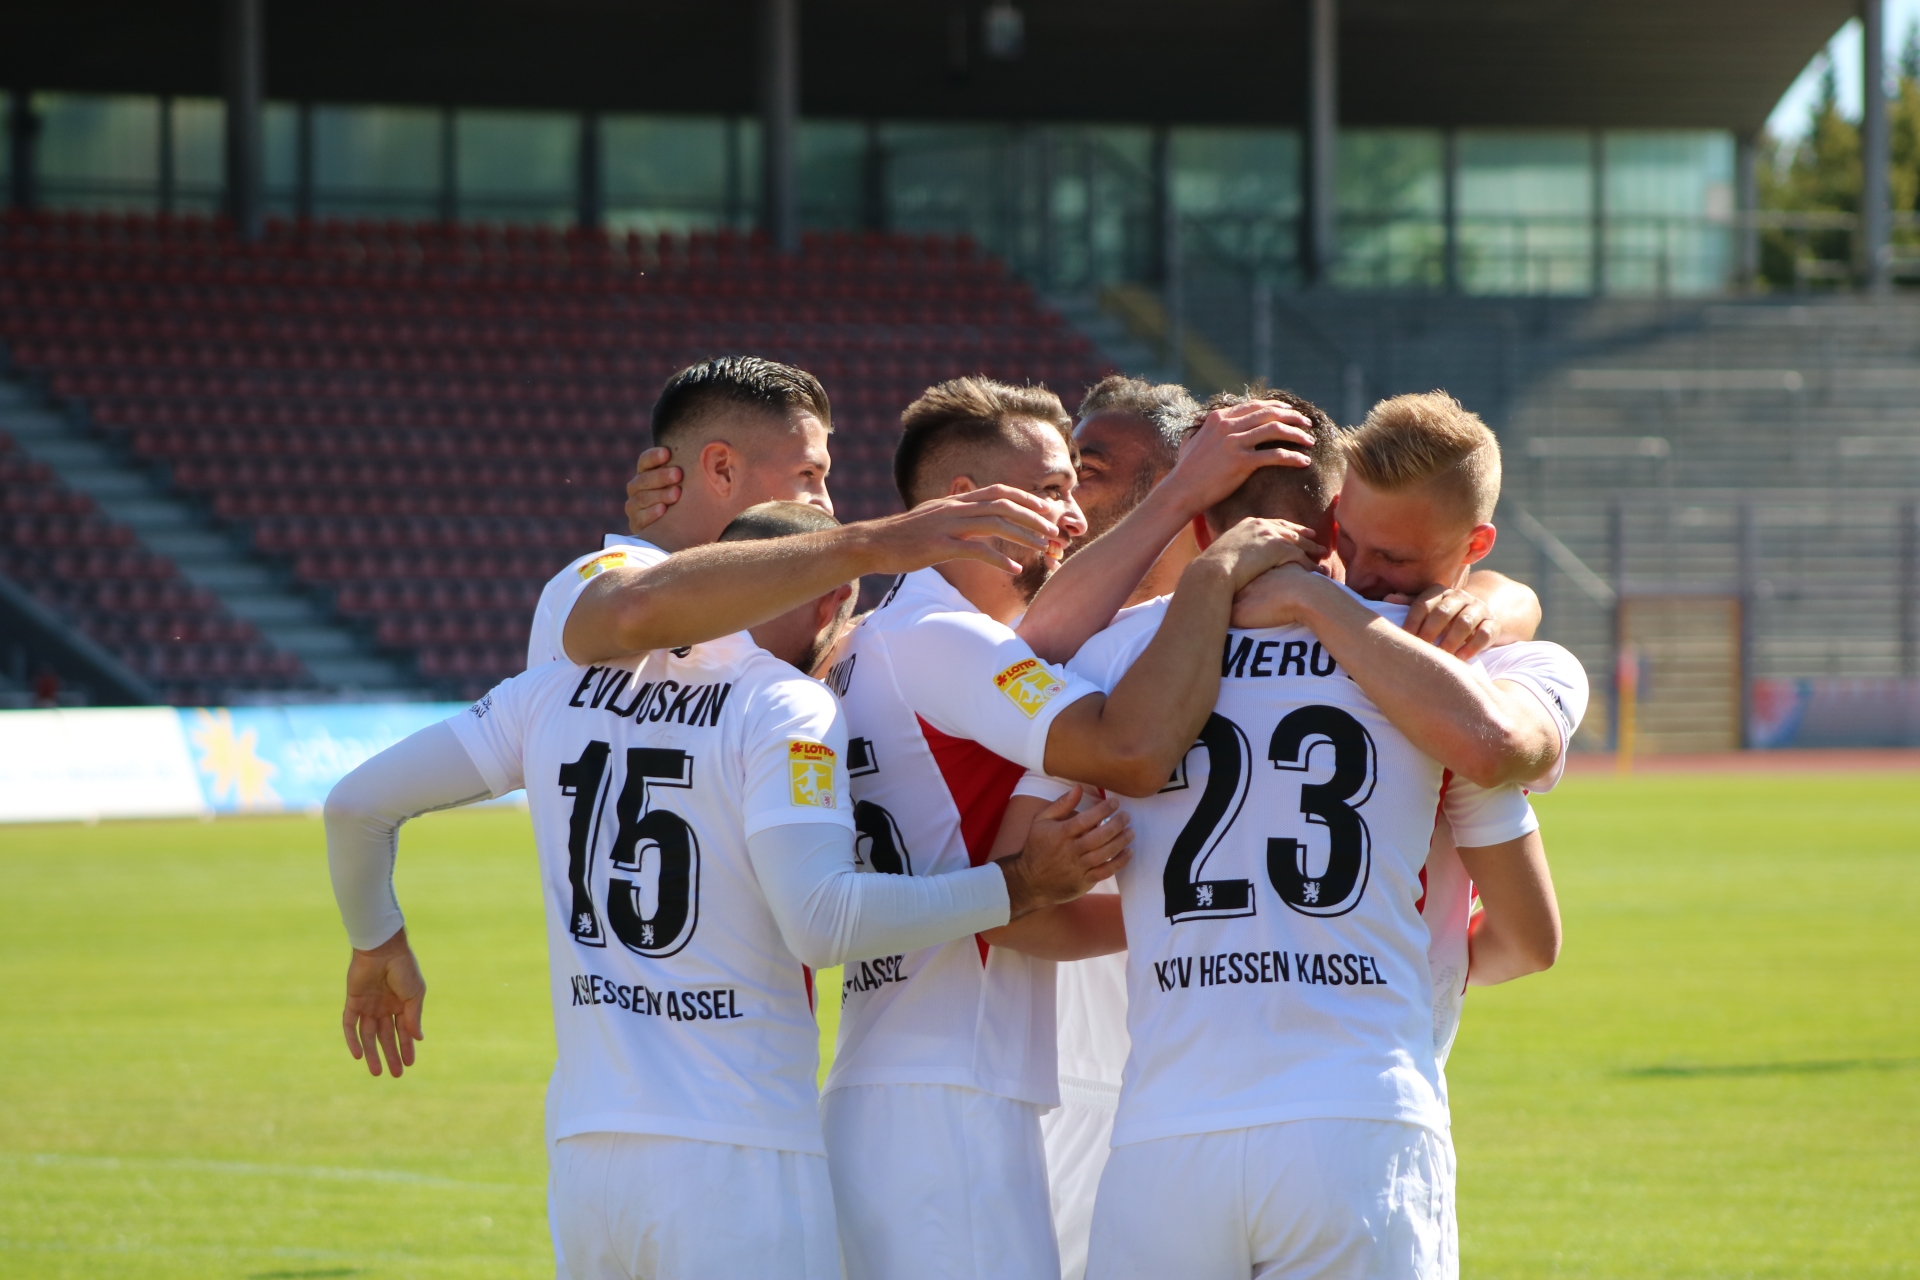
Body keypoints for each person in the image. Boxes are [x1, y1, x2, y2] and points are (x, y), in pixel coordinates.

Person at [322, 500, 1138, 1280]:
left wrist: (376, 941)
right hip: (736, 1151)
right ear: (833, 600)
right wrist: (1016, 883)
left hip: (587, 1152)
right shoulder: (783, 704)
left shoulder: (550, 691)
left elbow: (356, 805)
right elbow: (824, 923)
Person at [999, 388, 1581, 1279]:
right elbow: (1525, 905)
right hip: (1359, 1117)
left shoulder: (1109, 660)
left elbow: (1021, 894)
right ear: (1333, 522)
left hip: (1165, 1131)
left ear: (1200, 527)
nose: (1374, 573)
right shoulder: (1455, 669)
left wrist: (1174, 920)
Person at [816, 376, 1329, 1280]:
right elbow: (1128, 748)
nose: (1072, 514)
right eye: (1053, 488)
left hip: (912, 1074)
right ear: (966, 500)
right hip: (949, 1089)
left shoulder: (871, 638)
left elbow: (1044, 642)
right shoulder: (947, 640)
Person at [525, 355, 1072, 671]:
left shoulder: (760, 613)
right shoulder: (594, 580)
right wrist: (872, 545)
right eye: (808, 474)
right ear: (721, 469)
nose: (826, 504)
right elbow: (635, 610)